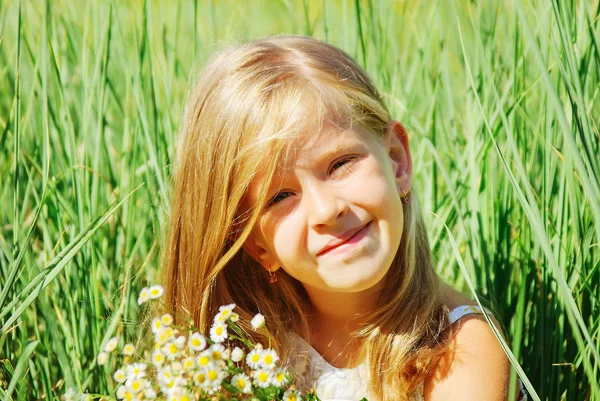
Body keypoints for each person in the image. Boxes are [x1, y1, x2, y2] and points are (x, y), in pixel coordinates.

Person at [160, 35, 526, 401]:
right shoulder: (246, 350)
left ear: (397, 161)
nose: (326, 210)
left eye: (340, 164)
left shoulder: (462, 351)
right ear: (257, 245)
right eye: (281, 196)